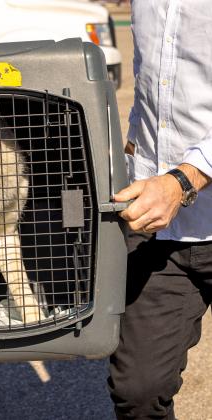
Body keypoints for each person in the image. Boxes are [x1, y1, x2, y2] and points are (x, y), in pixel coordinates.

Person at [108, 1, 212, 419]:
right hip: (160, 229)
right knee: (137, 391)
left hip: (180, 192)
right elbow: (154, 84)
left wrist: (183, 179)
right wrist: (133, 147)